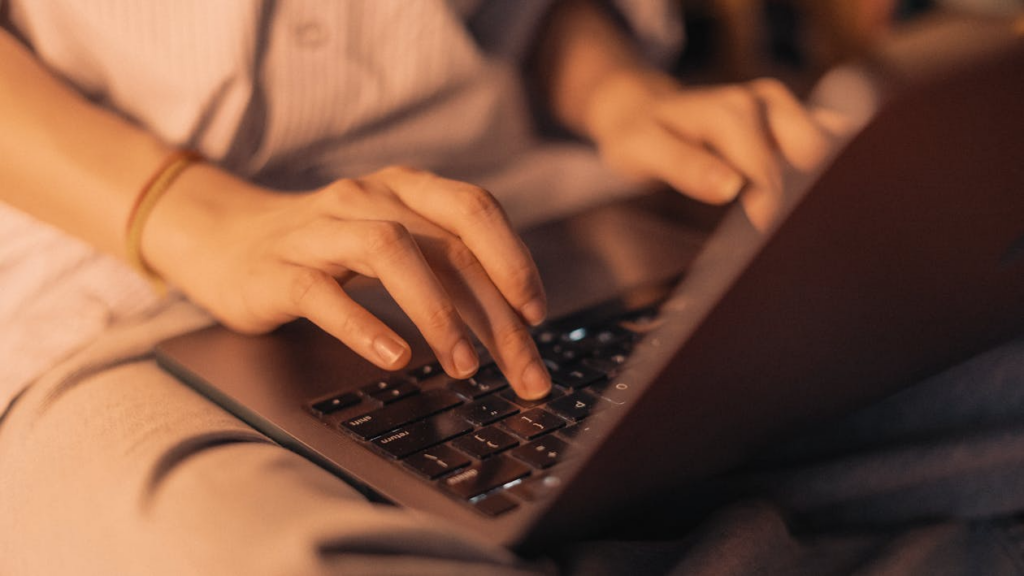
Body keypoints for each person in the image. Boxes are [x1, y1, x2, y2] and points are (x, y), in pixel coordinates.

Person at [3, 1, 1023, 575]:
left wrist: (623, 99)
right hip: (134, 291)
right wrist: (187, 215)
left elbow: (509, 17)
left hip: (533, 227)